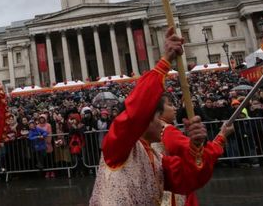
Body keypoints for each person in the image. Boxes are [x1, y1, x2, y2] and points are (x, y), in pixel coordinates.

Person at [90, 27, 231, 205]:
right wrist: (165, 62)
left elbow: (190, 179)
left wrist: (196, 146)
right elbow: (136, 112)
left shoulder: (158, 159)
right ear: (145, 121)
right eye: (158, 117)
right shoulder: (118, 148)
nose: (162, 124)